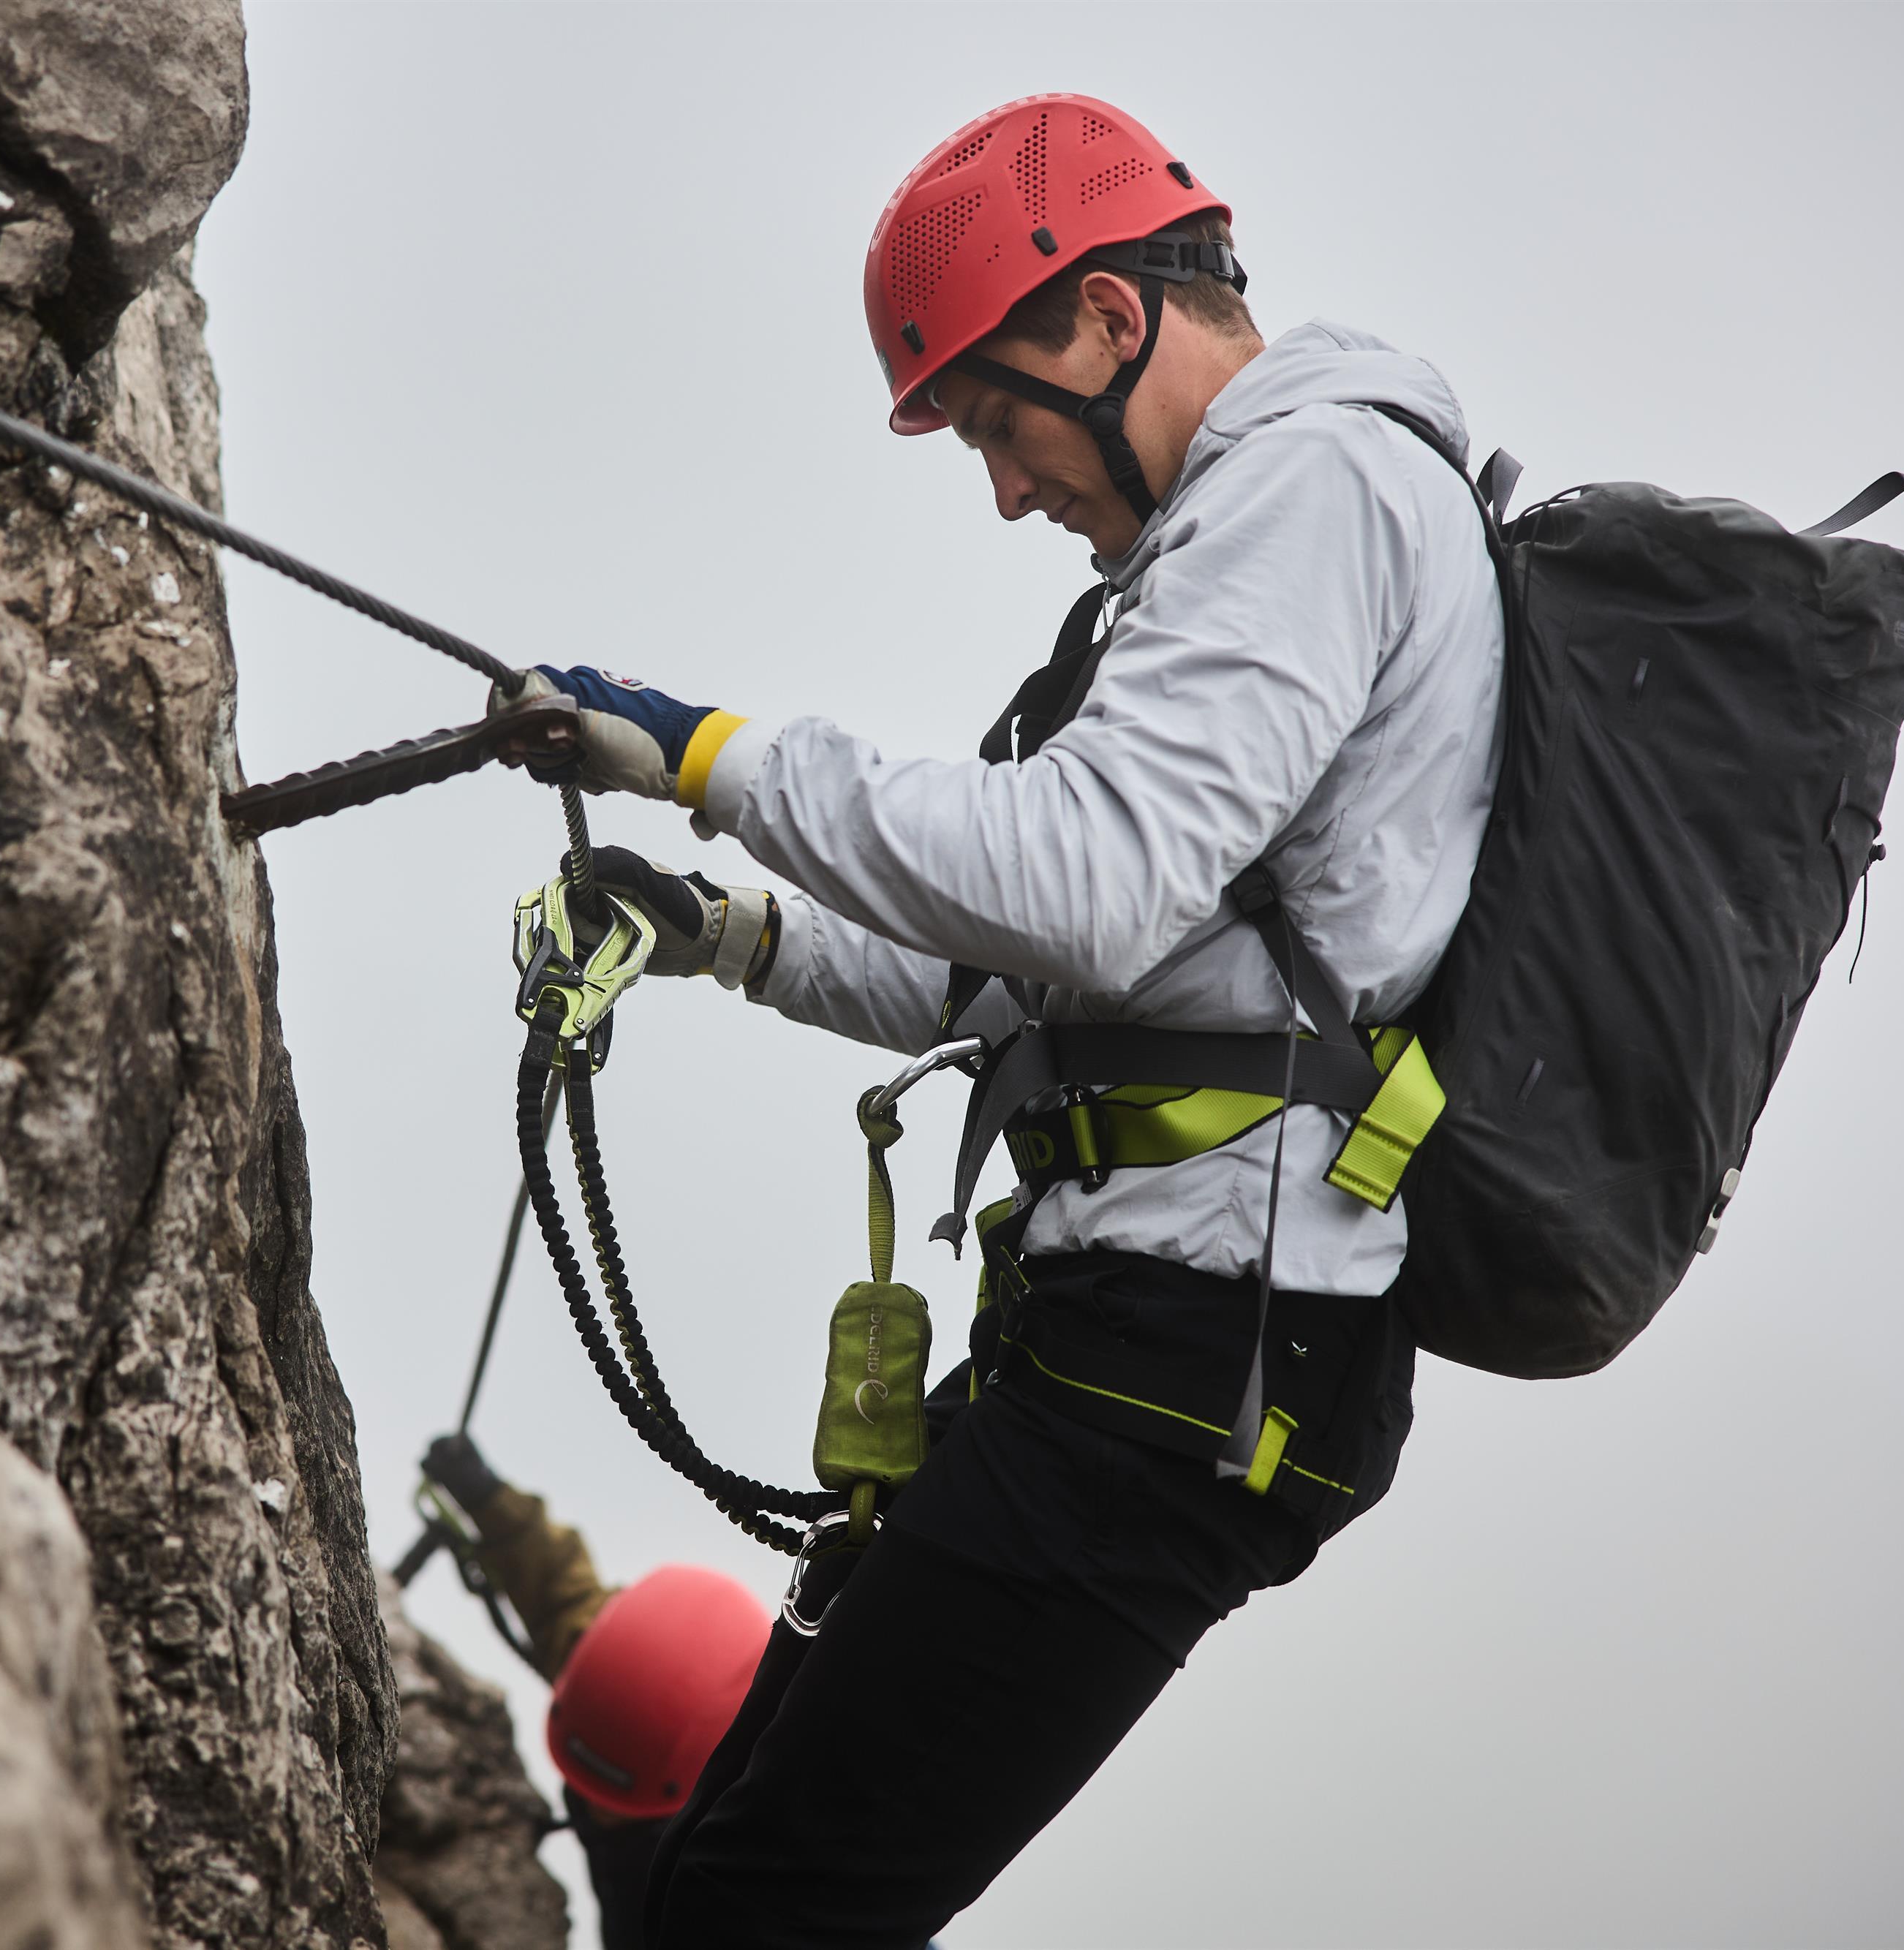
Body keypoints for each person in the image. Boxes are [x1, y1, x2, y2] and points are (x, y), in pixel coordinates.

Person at [488, 94, 1506, 1947]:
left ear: (1112, 320)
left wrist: (715, 756)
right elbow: (1036, 969)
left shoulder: (1315, 493)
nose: (1007, 489)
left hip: (1190, 1366)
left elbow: (1080, 879)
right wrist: (716, 925)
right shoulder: (1223, 546)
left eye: (999, 422)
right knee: (724, 1862)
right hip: (1134, 1341)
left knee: (754, 1920)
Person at [414, 1433, 771, 1950]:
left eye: (616, 1802)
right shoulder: (620, 1674)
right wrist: (488, 1499)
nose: (599, 1808)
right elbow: (559, 1595)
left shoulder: (752, 1873)